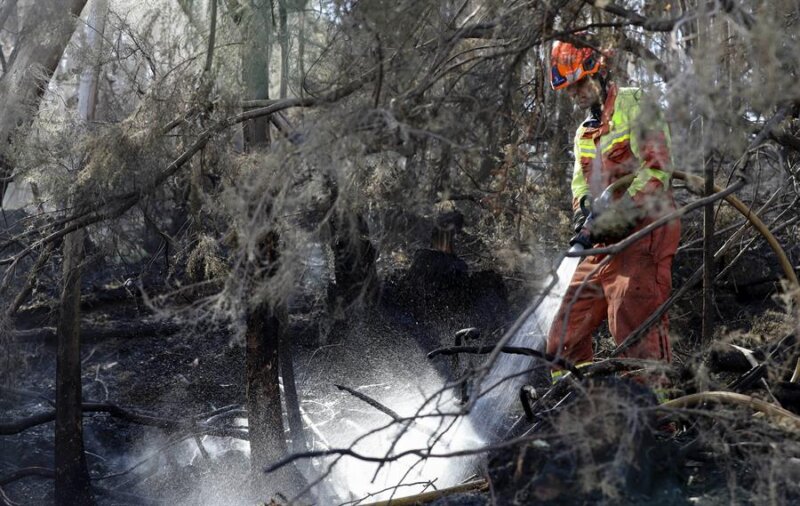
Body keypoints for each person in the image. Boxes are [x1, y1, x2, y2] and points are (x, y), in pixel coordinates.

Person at [545, 36, 681, 378]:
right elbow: (580, 183)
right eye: (569, 90)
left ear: (598, 71)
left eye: (579, 84)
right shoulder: (583, 134)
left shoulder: (636, 104)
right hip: (604, 240)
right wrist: (583, 211)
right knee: (563, 329)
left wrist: (622, 213)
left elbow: (657, 169)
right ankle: (576, 402)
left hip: (645, 230)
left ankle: (655, 407)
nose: (575, 94)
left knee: (631, 319)